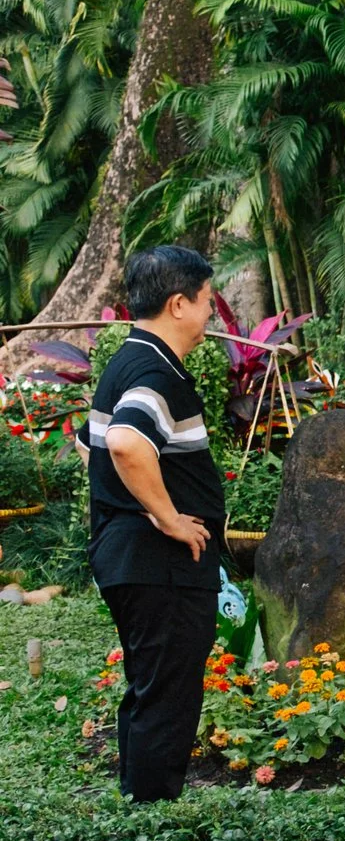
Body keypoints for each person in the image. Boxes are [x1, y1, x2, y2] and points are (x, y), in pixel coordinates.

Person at [88, 246, 224, 803]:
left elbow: (88, 445)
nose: (212, 314)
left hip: (133, 559)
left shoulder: (125, 361)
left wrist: (137, 505)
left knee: (151, 693)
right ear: (178, 304)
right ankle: (151, 821)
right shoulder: (152, 371)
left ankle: (137, 809)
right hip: (160, 567)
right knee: (167, 701)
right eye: (208, 301)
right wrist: (166, 517)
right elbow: (123, 442)